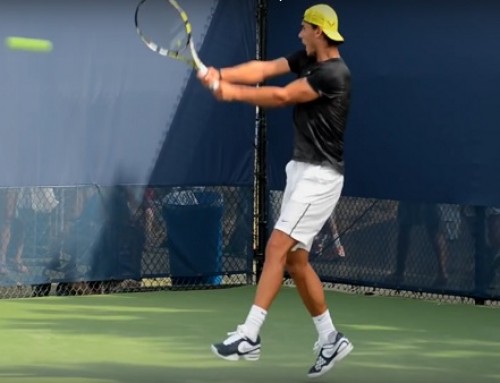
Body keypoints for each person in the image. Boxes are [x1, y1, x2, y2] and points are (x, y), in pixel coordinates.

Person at [198, 4, 353, 377]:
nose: (299, 33)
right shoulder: (309, 58)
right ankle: (330, 338)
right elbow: (265, 69)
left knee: (277, 247)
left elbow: (284, 97)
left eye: (303, 27)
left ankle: (249, 335)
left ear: (318, 30)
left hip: (320, 177)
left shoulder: (333, 73)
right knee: (297, 263)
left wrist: (230, 93)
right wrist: (220, 74)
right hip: (302, 172)